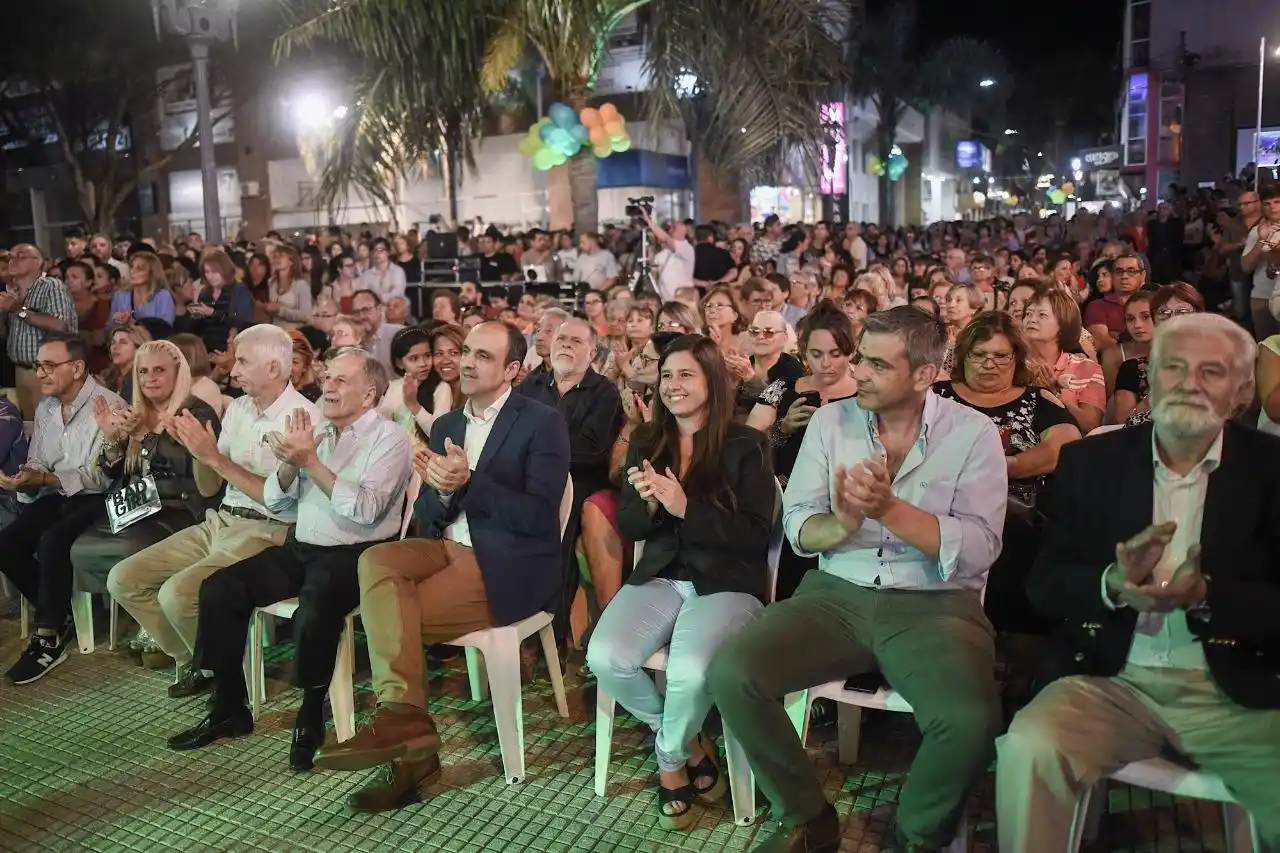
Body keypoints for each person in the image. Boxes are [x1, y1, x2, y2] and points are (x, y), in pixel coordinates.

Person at [708, 306, 1008, 853]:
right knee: (733, 672)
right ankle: (806, 814)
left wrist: (891, 511)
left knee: (970, 720)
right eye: (860, 358)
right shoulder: (831, 421)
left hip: (934, 602)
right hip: (836, 594)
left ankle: (918, 834)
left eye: (875, 363)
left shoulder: (972, 433)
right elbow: (799, 523)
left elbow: (982, 548)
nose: (857, 372)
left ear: (923, 374)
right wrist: (842, 523)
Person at [996, 313, 1280, 852]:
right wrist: (1110, 583)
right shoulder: (1091, 463)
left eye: (1211, 372)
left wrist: (1207, 595)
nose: (1189, 384)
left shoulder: (1271, 471)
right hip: (1112, 679)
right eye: (1173, 368)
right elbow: (1044, 585)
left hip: (1239, 690)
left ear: (1242, 390)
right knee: (1029, 745)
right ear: (1149, 376)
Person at [309, 322, 570, 812]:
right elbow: (431, 515)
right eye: (466, 351)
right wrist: (444, 490)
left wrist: (470, 481)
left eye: (484, 357)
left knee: (389, 614)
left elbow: (538, 515)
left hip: (507, 562)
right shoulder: (448, 423)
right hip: (447, 546)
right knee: (377, 560)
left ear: (513, 369)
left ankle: (406, 742)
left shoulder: (542, 421)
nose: (467, 362)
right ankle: (407, 726)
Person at [167, 348, 412, 771]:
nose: (327, 385)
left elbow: (367, 510)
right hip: (303, 546)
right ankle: (229, 704)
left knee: (316, 606)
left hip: (359, 556)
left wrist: (309, 461)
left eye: (340, 380)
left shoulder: (389, 438)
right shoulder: (316, 429)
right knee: (221, 588)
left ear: (369, 394)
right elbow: (279, 505)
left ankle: (311, 711)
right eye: (327, 377)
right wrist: (288, 465)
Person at [587, 334, 775, 829]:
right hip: (663, 575)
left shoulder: (747, 444)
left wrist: (685, 508)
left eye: (685, 374)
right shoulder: (648, 441)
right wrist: (648, 505)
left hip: (727, 582)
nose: (672, 385)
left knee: (690, 671)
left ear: (712, 381)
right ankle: (688, 743)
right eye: (667, 375)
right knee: (604, 656)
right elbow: (631, 527)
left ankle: (668, 761)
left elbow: (755, 534)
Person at [106, 325, 321, 694]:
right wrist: (198, 451)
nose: (231, 370)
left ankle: (224, 678)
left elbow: (278, 500)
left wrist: (212, 456)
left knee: (176, 594)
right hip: (220, 520)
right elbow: (210, 486)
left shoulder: (303, 418)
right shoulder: (237, 407)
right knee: (123, 580)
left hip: (268, 531)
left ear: (273, 368)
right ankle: (196, 660)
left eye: (242, 361)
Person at [73, 340, 221, 688]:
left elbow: (198, 475)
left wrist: (146, 439)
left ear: (178, 372)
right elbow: (111, 475)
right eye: (143, 371)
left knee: (129, 551)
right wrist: (112, 439)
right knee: (81, 545)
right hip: (140, 508)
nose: (151, 378)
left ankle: (179, 648)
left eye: (159, 370)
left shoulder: (195, 413)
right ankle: (169, 637)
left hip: (186, 510)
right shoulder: (134, 411)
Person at [0, 334, 124, 683]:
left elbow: (102, 478)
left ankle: (49, 636)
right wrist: (25, 477)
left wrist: (44, 480)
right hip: (56, 492)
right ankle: (58, 612)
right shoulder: (46, 407)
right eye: (38, 365)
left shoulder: (108, 404)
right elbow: (39, 459)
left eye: (49, 365)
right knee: (7, 543)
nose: (40, 373)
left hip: (102, 499)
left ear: (78, 368)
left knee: (54, 539)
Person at [746, 303, 859, 598]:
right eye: (816, 354)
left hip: (847, 502)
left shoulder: (867, 392)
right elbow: (747, 446)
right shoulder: (783, 388)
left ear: (851, 351)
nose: (826, 364)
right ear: (804, 352)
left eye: (836, 354)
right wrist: (782, 428)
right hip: (784, 502)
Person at [1111, 283, 1204, 427]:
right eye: (1164, 314)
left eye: (1183, 312)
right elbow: (1123, 422)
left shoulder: (1215, 362)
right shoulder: (1135, 368)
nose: (1173, 320)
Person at [1, 243, 77, 417]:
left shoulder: (51, 286)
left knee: (53, 427)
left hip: (49, 370)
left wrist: (18, 310)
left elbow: (60, 325)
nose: (13, 261)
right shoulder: (12, 293)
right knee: (32, 429)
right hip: (20, 370)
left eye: (21, 256)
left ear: (38, 263)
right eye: (11, 257)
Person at [1022, 284, 1106, 434]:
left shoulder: (1087, 369)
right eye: (1028, 314)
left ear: (1063, 324)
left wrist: (1054, 396)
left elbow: (1090, 426)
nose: (1031, 320)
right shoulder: (1011, 363)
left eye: (1042, 315)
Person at [379, 325, 452, 440]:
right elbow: (382, 424)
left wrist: (413, 405)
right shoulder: (394, 387)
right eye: (414, 358)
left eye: (427, 356)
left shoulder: (441, 388)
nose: (423, 363)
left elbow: (439, 434)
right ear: (399, 363)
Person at [109, 251, 175, 329]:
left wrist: (133, 323)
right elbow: (110, 328)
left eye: (139, 268)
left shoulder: (163, 296)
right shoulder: (120, 296)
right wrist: (118, 321)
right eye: (132, 267)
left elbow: (165, 329)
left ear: (152, 273)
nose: (132, 271)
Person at [642, 212, 695, 302]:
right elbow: (654, 274)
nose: (670, 231)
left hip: (681, 300)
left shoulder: (687, 249)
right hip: (664, 300)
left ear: (683, 232)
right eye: (670, 228)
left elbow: (666, 239)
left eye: (673, 228)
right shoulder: (662, 254)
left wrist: (650, 223)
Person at [350, 288, 405, 370]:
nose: (361, 316)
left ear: (379, 309)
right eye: (356, 312)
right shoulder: (347, 341)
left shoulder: (399, 335)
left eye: (366, 310)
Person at [265, 245, 313, 331]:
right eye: (275, 256)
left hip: (295, 333)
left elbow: (306, 315)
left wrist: (281, 310)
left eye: (281, 256)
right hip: (276, 332)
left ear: (291, 261)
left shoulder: (301, 284)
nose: (277, 259)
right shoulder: (271, 282)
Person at [358, 237, 408, 302]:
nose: (377, 253)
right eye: (374, 250)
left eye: (380, 250)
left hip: (394, 310)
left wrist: (375, 297)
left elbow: (397, 294)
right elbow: (363, 296)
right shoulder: (367, 275)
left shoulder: (398, 271)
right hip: (372, 311)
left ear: (388, 252)